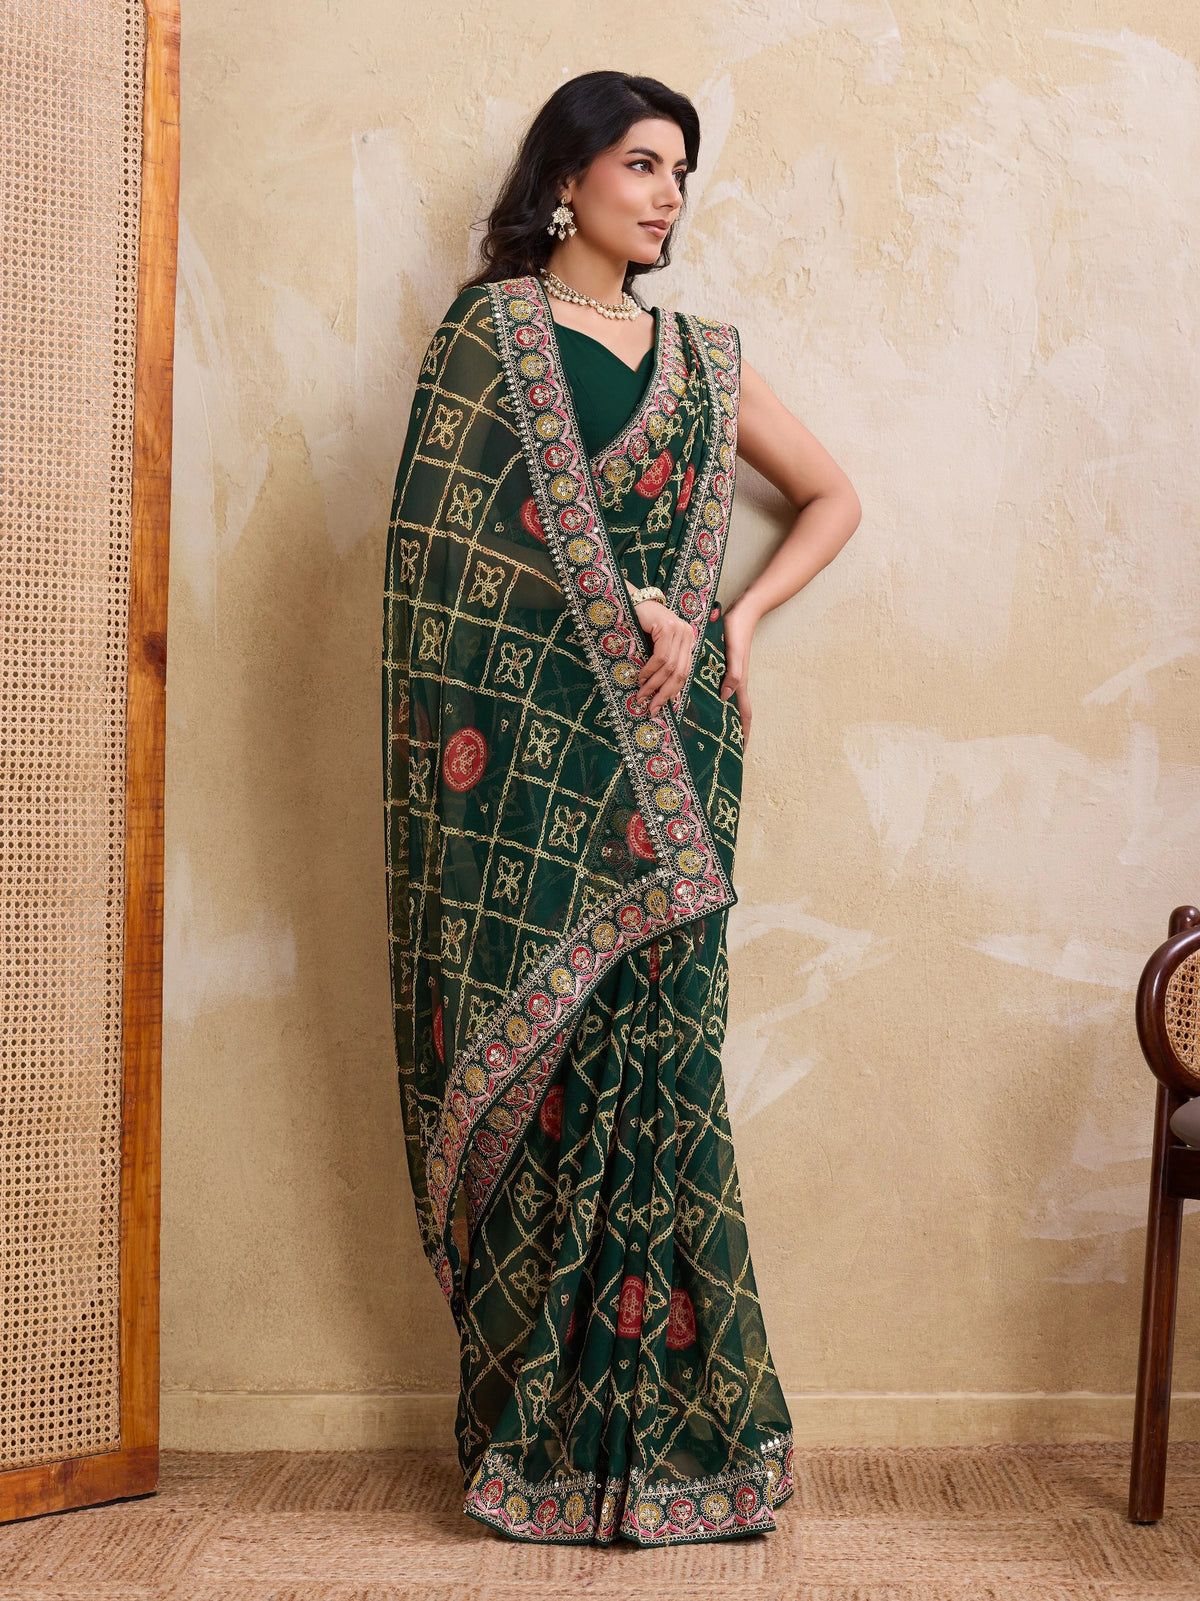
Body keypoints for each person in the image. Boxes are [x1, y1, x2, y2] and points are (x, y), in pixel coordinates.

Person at [382, 69, 861, 1548]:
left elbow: (834, 496)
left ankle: (687, 1446)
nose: (666, 194)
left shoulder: (703, 358)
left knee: (665, 1081)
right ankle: (540, 1449)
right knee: (563, 1099)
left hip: (678, 770)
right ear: (568, 178)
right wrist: (622, 601)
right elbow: (447, 575)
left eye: (680, 171)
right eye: (641, 164)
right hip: (543, 787)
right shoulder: (491, 336)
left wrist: (736, 621)